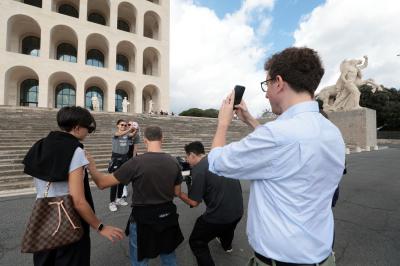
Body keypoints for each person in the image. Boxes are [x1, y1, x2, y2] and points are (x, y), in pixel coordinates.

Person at [208, 47, 345, 266]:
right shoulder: (332, 131)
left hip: (281, 260)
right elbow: (283, 152)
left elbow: (217, 162)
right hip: (321, 255)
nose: (266, 93)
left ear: (279, 82)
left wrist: (222, 123)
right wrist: (251, 120)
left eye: (267, 84)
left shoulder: (278, 135)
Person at [22, 106, 124, 266]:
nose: (88, 133)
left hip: (43, 217)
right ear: (77, 127)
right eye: (88, 128)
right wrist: (100, 227)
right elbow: (78, 201)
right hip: (70, 220)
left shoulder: (40, 145)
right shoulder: (75, 151)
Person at [87, 126, 184, 266]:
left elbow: (102, 183)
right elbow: (176, 192)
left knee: (140, 259)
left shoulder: (136, 162)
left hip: (143, 217)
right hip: (168, 215)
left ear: (145, 140)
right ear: (162, 138)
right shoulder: (174, 162)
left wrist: (93, 168)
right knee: (168, 256)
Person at [178, 141, 243, 266]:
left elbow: (194, 202)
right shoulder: (220, 159)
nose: (187, 160)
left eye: (187, 157)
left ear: (192, 155)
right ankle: (227, 245)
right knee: (228, 227)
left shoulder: (199, 169)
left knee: (197, 242)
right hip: (238, 211)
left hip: (218, 217)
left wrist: (179, 193)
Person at [108, 119, 133, 212]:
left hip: (125, 159)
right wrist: (129, 129)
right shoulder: (115, 134)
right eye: (122, 125)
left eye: (125, 125)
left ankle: (119, 198)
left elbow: (132, 135)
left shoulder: (127, 135)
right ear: (117, 125)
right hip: (116, 160)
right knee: (114, 181)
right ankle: (112, 202)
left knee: (122, 180)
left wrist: (135, 129)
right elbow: (118, 135)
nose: (124, 126)